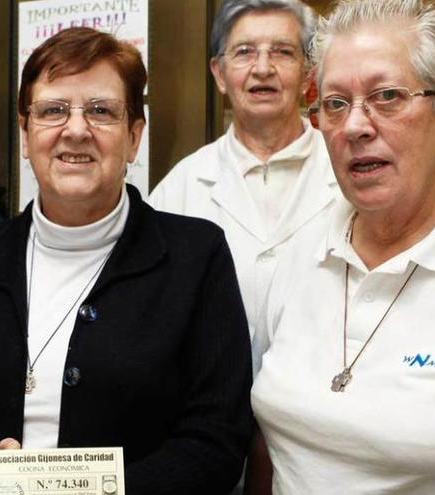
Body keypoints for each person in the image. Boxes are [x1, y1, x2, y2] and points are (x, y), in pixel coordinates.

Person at [0, 27, 252, 494]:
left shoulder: (196, 258)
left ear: (134, 136)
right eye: (53, 110)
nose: (76, 129)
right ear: (24, 133)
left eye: (100, 111)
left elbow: (216, 441)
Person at [250, 0, 435, 492]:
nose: (354, 126)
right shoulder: (299, 252)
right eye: (334, 103)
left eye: (387, 96)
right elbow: (271, 442)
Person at [148, 0, 337, 373]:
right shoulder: (180, 188)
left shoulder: (348, 177)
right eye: (244, 52)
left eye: (282, 52)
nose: (262, 68)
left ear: (308, 75)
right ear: (219, 74)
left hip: (322, 409)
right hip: (210, 411)